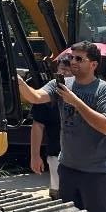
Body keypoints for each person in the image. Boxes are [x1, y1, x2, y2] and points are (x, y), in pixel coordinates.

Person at [18, 41, 106, 212]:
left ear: (93, 64)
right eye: (71, 57)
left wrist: (75, 102)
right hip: (68, 168)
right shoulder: (60, 84)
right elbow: (35, 97)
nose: (73, 62)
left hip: (97, 173)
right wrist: (17, 80)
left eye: (79, 58)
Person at [29, 55, 70, 199]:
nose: (65, 74)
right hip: (56, 153)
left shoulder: (89, 91)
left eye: (69, 71)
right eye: (62, 70)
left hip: (85, 157)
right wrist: (35, 156)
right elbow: (38, 125)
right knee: (59, 195)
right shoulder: (49, 92)